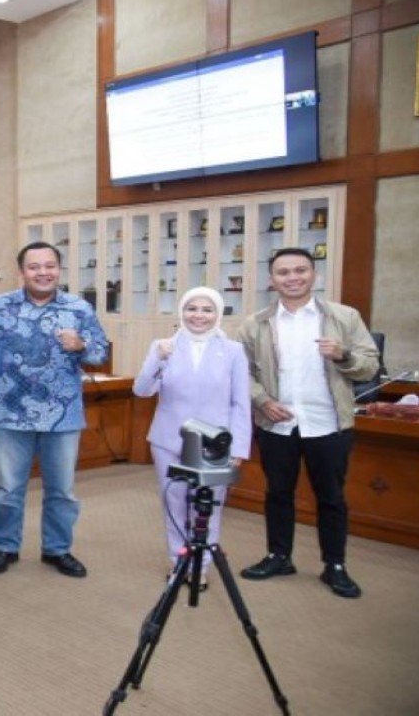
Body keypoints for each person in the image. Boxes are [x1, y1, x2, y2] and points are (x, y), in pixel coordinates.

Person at [237, 248, 379, 599]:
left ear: (314, 275)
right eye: (283, 272)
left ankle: (335, 566)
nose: (292, 277)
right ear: (273, 280)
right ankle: (278, 556)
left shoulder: (344, 317)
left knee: (331, 498)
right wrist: (263, 401)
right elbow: (240, 372)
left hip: (328, 424)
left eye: (300, 270)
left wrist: (342, 355)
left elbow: (370, 365)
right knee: (278, 494)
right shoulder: (255, 324)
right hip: (277, 424)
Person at [0, 242, 109, 579]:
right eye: (34, 267)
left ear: (59, 269)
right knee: (8, 488)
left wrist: (82, 345)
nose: (43, 272)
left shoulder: (79, 309)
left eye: (49, 266)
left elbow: (100, 353)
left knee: (61, 490)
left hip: (63, 415)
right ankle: (5, 546)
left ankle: (57, 549)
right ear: (22, 272)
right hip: (10, 413)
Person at [132, 287, 250, 589]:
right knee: (174, 503)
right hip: (169, 439)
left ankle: (201, 567)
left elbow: (240, 402)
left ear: (218, 314)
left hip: (214, 444)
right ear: (182, 311)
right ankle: (179, 562)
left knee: (207, 505)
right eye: (191, 308)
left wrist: (239, 446)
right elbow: (142, 390)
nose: (198, 315)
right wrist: (157, 359)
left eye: (207, 309)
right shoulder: (163, 345)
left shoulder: (233, 351)